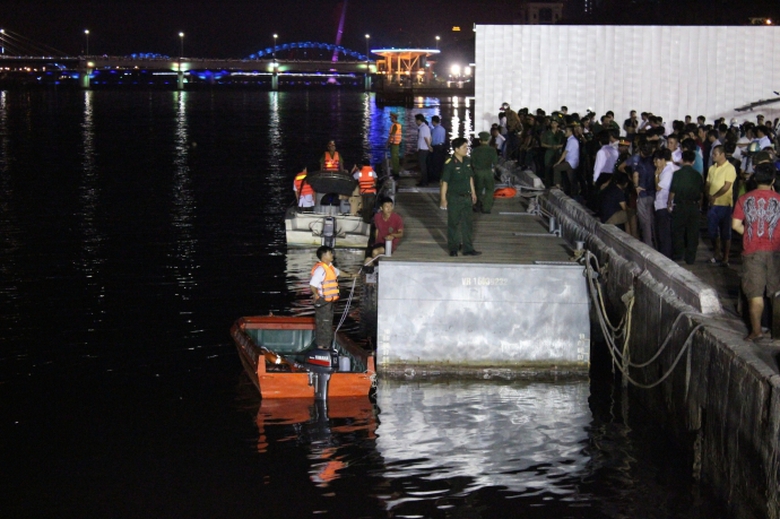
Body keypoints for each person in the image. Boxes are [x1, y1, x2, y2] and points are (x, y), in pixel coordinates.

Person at [731, 163, 780, 341]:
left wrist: (749, 234)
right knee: (777, 293)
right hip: (776, 250)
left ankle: (756, 330)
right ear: (773, 180)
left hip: (752, 252)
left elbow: (735, 225)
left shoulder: (744, 199)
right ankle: (777, 332)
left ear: (755, 178)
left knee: (755, 294)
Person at [440, 137, 480, 257]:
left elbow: (470, 178)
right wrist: (443, 199)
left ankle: (468, 248)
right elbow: (444, 182)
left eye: (467, 147)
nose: (466, 149)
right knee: (453, 223)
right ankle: (453, 248)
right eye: (464, 147)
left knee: (468, 224)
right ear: (456, 149)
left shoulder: (467, 161)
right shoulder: (450, 163)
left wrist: (473, 193)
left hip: (466, 197)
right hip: (454, 198)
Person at [668, 150, 703, 264]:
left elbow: (673, 191)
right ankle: (690, 258)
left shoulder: (677, 174)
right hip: (693, 206)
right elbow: (701, 193)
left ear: (682, 160)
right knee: (693, 233)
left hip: (680, 206)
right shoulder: (697, 175)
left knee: (678, 231)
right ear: (693, 161)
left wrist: (669, 203)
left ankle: (678, 255)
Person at [707, 145, 737, 266]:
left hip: (724, 205)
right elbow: (708, 183)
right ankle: (717, 253)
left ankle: (725, 257)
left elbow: (727, 186)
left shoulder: (730, 168)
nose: (713, 156)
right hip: (713, 204)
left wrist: (714, 196)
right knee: (712, 231)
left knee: (725, 233)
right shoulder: (712, 168)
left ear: (722, 154)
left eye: (715, 154)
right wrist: (708, 195)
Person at [310, 246, 341, 350]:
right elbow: (313, 285)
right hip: (322, 301)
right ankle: (321, 347)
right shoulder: (320, 270)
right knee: (323, 323)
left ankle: (326, 346)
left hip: (329, 301)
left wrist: (351, 275)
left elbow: (339, 272)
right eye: (330, 253)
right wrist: (315, 294)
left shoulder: (330, 267)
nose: (332, 255)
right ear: (324, 256)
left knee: (327, 323)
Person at [653, 148, 677, 258]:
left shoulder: (668, 171)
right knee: (663, 233)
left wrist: (656, 175)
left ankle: (666, 256)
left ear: (662, 160)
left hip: (664, 205)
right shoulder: (664, 170)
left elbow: (658, 187)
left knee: (664, 234)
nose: (655, 163)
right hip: (661, 205)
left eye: (657, 160)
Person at [471, 131, 499, 214]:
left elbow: (472, 162)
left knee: (478, 190)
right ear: (488, 140)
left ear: (480, 140)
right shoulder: (492, 150)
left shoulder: (475, 150)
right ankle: (486, 208)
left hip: (478, 172)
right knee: (489, 190)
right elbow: (495, 162)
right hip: (488, 172)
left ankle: (477, 206)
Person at [552, 124, 580, 196]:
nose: (565, 132)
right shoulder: (571, 140)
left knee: (557, 167)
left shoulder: (572, 141)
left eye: (566, 131)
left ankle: (557, 185)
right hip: (571, 162)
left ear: (571, 132)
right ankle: (574, 193)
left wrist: (558, 162)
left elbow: (565, 152)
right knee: (571, 179)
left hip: (571, 162)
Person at [428, 115, 448, 183]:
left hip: (436, 147)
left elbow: (433, 140)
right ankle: (440, 177)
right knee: (440, 163)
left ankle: (435, 178)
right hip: (442, 147)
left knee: (435, 163)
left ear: (433, 122)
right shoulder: (443, 129)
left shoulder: (434, 130)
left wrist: (430, 146)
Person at [414, 114, 432, 186]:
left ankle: (424, 182)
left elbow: (426, 138)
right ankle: (424, 181)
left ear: (419, 120)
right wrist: (429, 146)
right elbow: (430, 137)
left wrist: (429, 146)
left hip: (423, 149)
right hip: (424, 148)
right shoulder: (425, 127)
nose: (415, 122)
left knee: (422, 166)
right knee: (423, 166)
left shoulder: (423, 128)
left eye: (416, 120)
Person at [387, 112, 402, 177]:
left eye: (391, 117)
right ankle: (396, 171)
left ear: (393, 118)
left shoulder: (395, 125)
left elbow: (392, 135)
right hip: (397, 143)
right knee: (396, 158)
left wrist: (388, 143)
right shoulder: (398, 125)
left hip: (394, 144)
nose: (390, 119)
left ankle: (395, 172)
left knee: (394, 158)